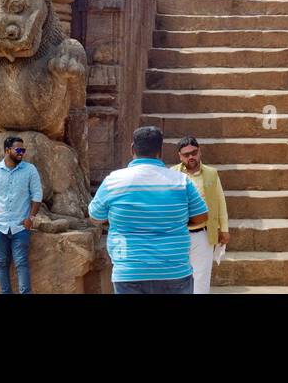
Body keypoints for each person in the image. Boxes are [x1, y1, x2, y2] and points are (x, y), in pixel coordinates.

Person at [88, 126, 208, 294]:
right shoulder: (181, 182)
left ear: (132, 149)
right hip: (174, 271)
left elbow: (95, 216)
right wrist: (175, 220)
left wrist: (120, 218)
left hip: (130, 272)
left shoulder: (113, 181)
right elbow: (202, 216)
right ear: (160, 151)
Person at [0, 135, 42, 295]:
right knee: (1, 263)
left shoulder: (30, 170)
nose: (22, 153)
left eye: (23, 150)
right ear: (7, 151)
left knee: (21, 263)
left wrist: (31, 218)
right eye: (18, 150)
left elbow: (37, 195)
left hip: (20, 227)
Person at [172, 137, 229, 295]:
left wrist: (224, 229)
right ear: (180, 156)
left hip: (203, 234)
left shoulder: (211, 174)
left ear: (200, 152)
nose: (191, 157)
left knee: (201, 280)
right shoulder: (171, 174)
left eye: (194, 153)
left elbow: (220, 202)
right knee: (177, 280)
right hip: (178, 235)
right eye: (186, 154)